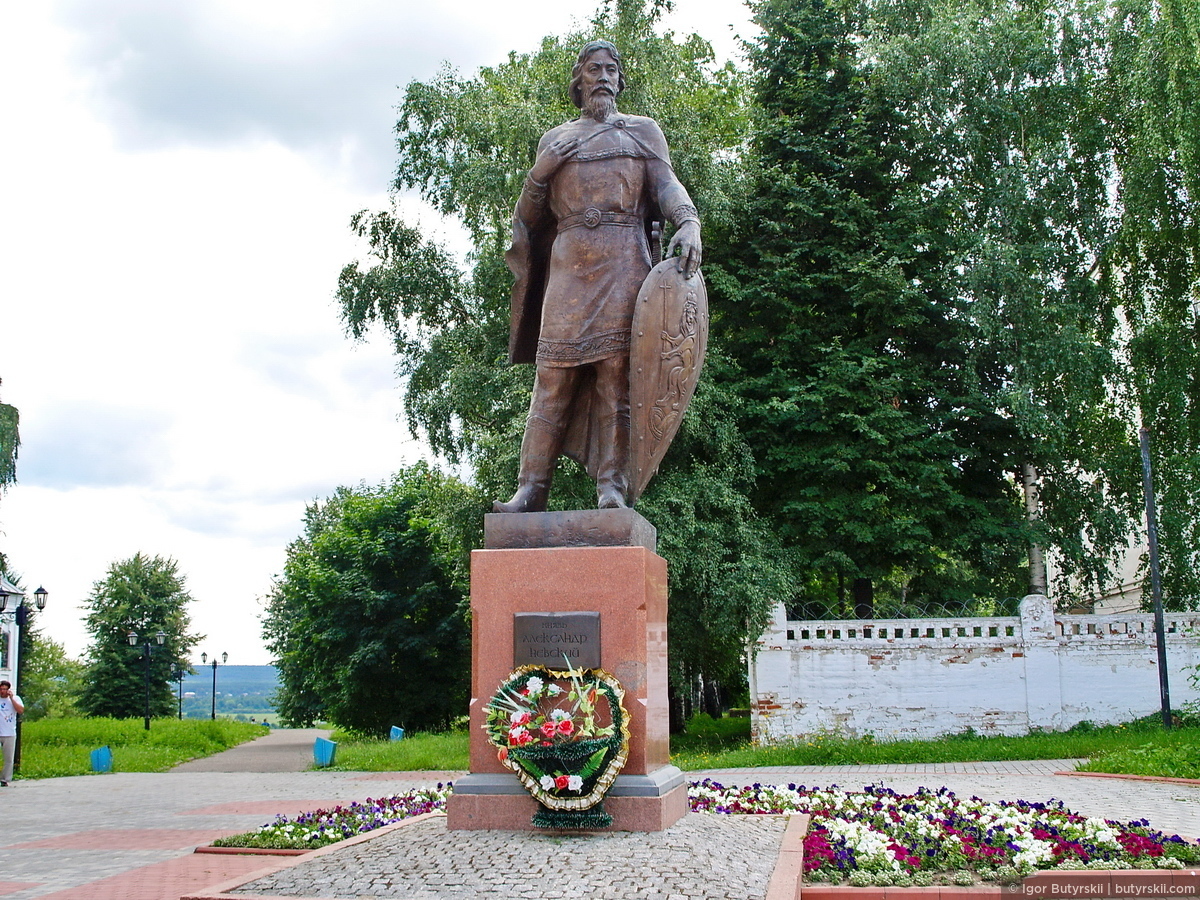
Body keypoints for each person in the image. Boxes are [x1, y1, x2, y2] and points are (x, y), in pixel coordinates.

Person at [495, 40, 702, 513]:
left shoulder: (642, 133)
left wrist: (688, 221)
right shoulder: (556, 140)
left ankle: (612, 487)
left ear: (619, 79)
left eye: (611, 69)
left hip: (624, 260)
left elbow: (667, 185)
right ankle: (531, 488)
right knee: (552, 378)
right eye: (594, 69)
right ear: (579, 79)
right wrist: (540, 172)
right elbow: (526, 219)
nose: (604, 76)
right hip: (569, 269)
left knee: (615, 377)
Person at [0, 680, 24, 785]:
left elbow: (20, 710)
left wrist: (11, 698)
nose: (2, 691)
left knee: (9, 758)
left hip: (9, 732)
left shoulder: (15, 699)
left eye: (5, 689)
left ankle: (5, 779)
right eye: (1, 689)